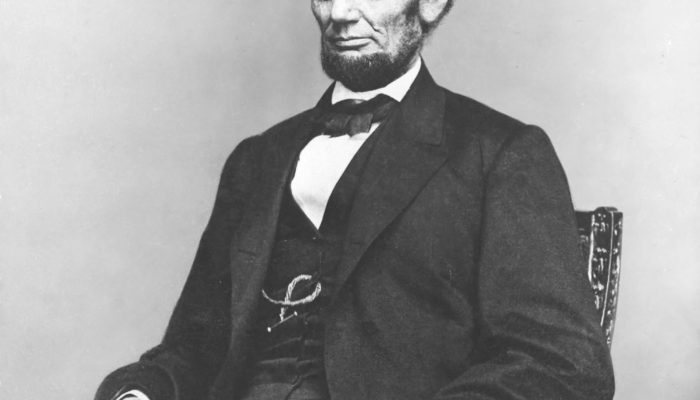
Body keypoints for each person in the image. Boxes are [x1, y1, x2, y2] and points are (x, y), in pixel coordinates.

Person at [96, 1, 615, 399]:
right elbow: (194, 345)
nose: (340, 13)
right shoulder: (256, 160)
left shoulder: (499, 153)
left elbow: (563, 361)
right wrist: (140, 392)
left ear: (431, 3)